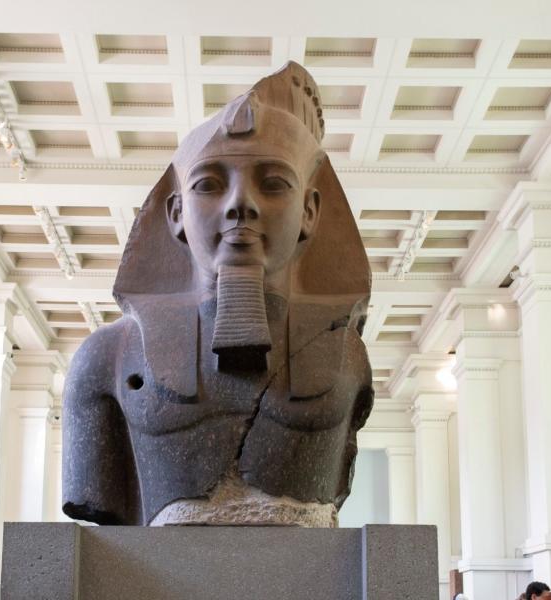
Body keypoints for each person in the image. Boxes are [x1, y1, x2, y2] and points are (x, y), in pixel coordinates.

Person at [63, 61, 374, 527]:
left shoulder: (347, 356)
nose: (238, 205)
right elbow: (104, 524)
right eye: (208, 184)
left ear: (310, 211)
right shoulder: (106, 358)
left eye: (273, 184)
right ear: (175, 213)